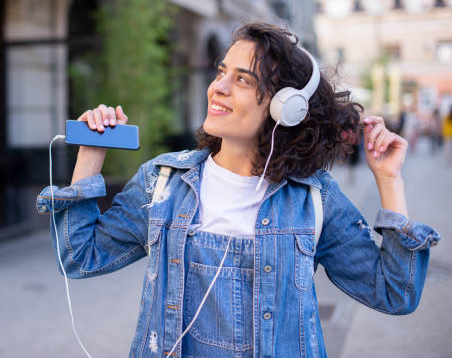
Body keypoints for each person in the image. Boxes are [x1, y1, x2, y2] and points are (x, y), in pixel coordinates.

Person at [36, 23, 440, 358]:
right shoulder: (163, 183)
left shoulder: (312, 199)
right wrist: (91, 154)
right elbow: (77, 258)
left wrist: (389, 180)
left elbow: (394, 294)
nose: (218, 87)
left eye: (242, 79)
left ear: (287, 106)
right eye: (220, 72)